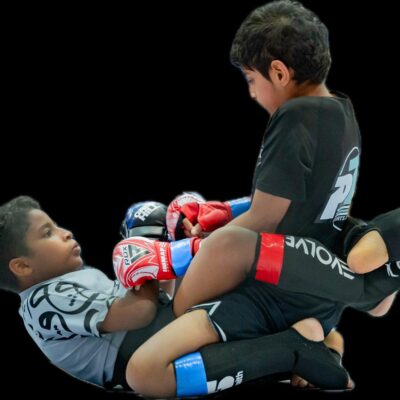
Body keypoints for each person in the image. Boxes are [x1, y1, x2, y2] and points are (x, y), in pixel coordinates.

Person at [0, 195, 350, 395]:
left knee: (156, 223)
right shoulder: (44, 301)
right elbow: (138, 314)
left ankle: (234, 223)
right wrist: (149, 261)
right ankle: (293, 347)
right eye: (47, 233)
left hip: (155, 329)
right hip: (137, 351)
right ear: (22, 266)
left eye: (55, 225)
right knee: (147, 374)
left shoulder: (67, 283)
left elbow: (150, 302)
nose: (65, 232)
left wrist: (160, 248)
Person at [117, 208, 398, 397]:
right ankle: (308, 348)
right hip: (297, 309)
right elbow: (376, 305)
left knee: (144, 370)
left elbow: (361, 264)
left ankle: (295, 348)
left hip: (261, 304)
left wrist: (179, 251)